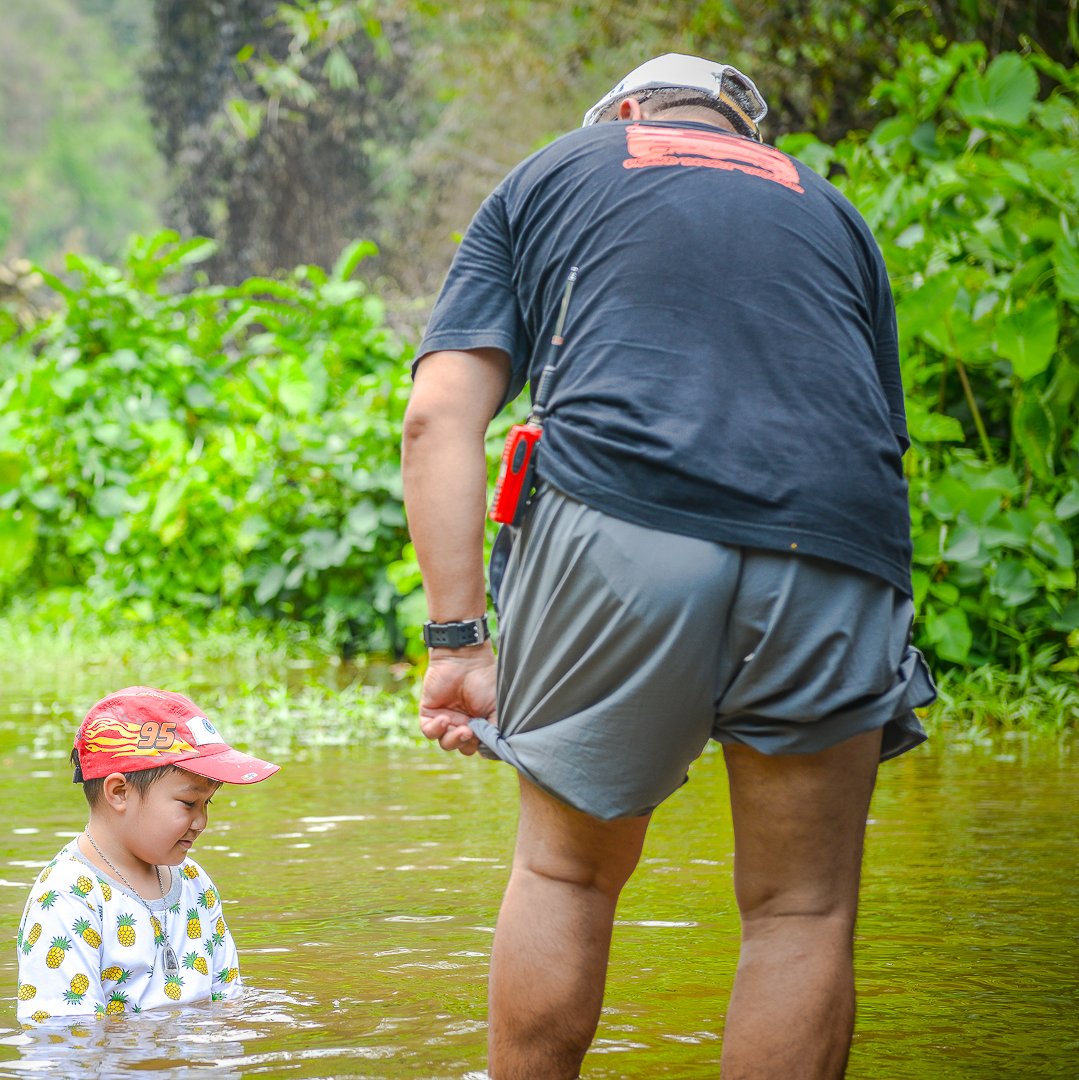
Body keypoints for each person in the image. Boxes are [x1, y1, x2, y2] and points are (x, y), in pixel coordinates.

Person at [400, 54, 937, 1080]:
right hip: (837, 540)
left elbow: (438, 418)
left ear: (625, 113)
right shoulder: (829, 209)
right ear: (743, 135)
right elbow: (876, 435)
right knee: (802, 911)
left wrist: (459, 644)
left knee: (566, 876)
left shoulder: (558, 169)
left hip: (619, 518)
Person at [14, 686, 278, 1022]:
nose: (202, 822)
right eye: (188, 803)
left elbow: (228, 1000)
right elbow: (67, 1032)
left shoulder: (194, 882)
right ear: (119, 792)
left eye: (207, 803)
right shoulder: (68, 897)